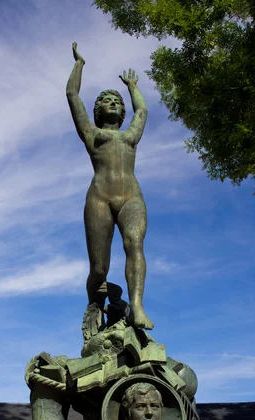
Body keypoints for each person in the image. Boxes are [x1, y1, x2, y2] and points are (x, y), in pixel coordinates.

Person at [66, 42, 154, 330]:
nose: (113, 103)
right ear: (98, 111)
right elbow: (72, 94)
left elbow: (142, 111)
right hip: (100, 199)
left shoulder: (130, 137)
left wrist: (132, 86)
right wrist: (79, 64)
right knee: (99, 269)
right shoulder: (93, 135)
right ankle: (96, 303)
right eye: (106, 100)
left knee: (134, 242)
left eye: (117, 101)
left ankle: (137, 306)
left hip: (131, 197)